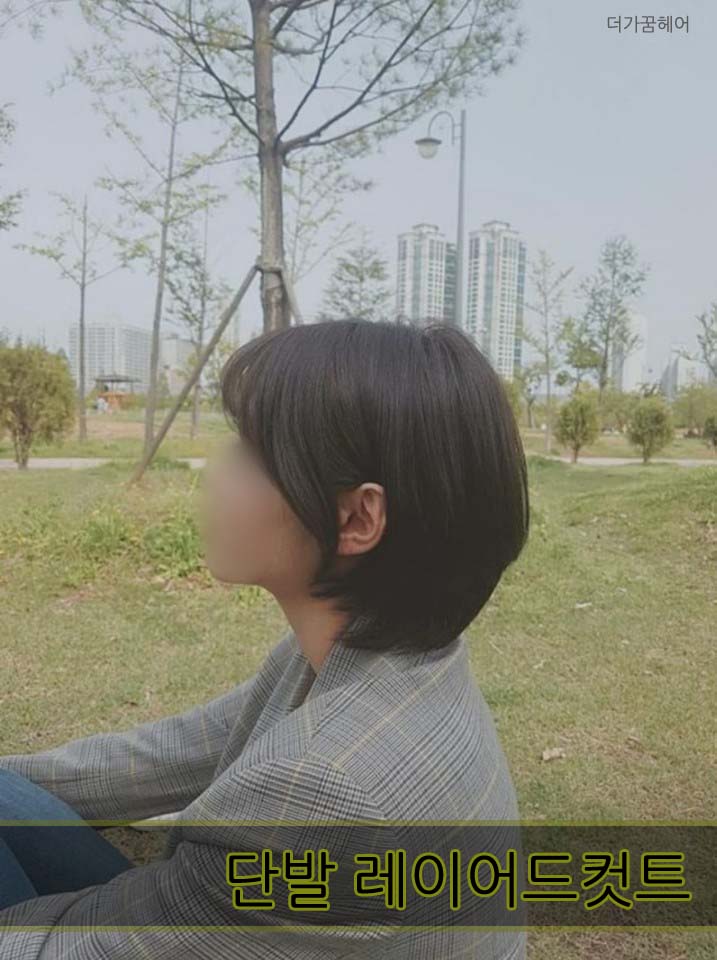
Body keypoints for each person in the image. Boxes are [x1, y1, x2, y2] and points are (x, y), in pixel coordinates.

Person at [0, 319, 530, 958]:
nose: (213, 470)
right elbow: (173, 754)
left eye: (250, 452)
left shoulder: (326, 792)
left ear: (357, 518)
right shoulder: (379, 655)